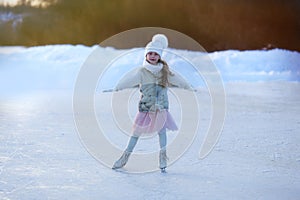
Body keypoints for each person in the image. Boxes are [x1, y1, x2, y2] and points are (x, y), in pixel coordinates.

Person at [107, 34, 194, 172]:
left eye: (155, 54)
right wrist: (117, 87)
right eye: (150, 53)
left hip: (161, 108)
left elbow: (178, 79)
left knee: (162, 132)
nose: (153, 56)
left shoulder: (165, 72)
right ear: (146, 56)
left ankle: (163, 157)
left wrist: (188, 87)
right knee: (135, 133)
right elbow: (128, 80)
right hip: (146, 108)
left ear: (159, 56)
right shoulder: (142, 71)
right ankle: (125, 157)